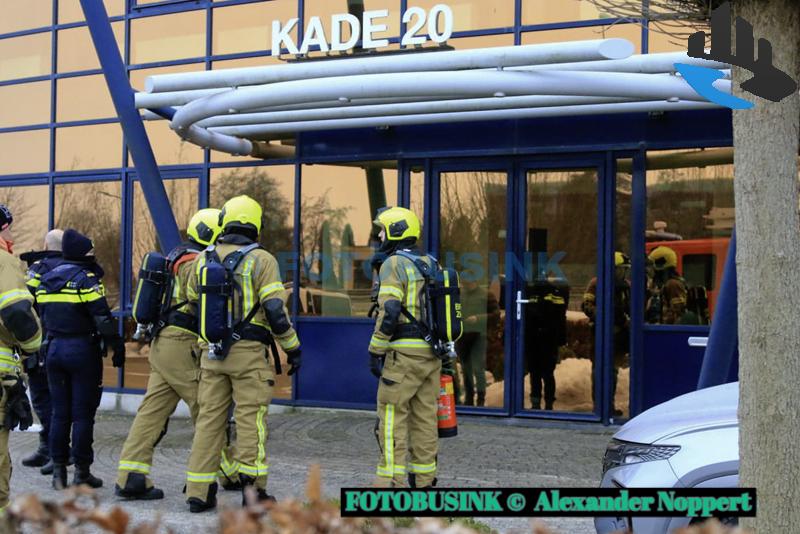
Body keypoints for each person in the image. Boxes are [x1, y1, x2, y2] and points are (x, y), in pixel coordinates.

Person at [184, 195, 301, 512]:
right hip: (249, 355)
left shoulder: (202, 259)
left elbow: (193, 305)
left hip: (212, 353)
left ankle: (198, 492)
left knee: (209, 422)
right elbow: (276, 312)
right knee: (251, 422)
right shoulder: (263, 261)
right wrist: (292, 347)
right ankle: (254, 494)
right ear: (256, 225)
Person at [115, 209, 242, 500]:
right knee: (209, 409)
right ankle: (228, 472)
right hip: (183, 344)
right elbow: (203, 301)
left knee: (152, 411)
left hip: (162, 345)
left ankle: (130, 476)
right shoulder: (197, 263)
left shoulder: (174, 257)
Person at [36, 229, 126, 489]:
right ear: (80, 253)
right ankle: (82, 472)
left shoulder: (46, 278)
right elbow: (102, 318)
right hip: (81, 351)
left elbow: (41, 313)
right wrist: (116, 346)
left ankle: (58, 474)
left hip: (53, 350)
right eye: (90, 253)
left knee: (59, 414)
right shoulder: (86, 280)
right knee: (83, 415)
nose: (93, 257)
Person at [368, 206, 440, 488]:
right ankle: (424, 481)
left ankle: (391, 484)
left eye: (383, 230)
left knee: (391, 417)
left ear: (396, 231)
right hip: (430, 354)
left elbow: (390, 310)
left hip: (403, 355)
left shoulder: (394, 264)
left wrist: (375, 349)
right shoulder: (431, 262)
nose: (380, 235)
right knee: (425, 419)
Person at [0, 205, 43, 512]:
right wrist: (32, 346)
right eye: (8, 228)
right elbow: (16, 312)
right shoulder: (3, 261)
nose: (12, 234)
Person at [19, 229, 64, 475]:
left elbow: (24, 300)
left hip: (41, 341)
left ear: (46, 244)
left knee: (42, 397)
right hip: (62, 342)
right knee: (58, 398)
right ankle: (49, 448)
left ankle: (52, 449)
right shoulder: (74, 267)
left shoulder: (39, 268)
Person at [582, 252, 631, 417]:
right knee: (598, 371)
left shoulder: (626, 287)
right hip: (601, 333)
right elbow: (587, 305)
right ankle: (599, 406)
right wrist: (605, 317)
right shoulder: (596, 284)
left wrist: (625, 321)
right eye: (622, 269)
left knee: (613, 371)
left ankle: (609, 405)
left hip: (619, 335)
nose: (624, 273)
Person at [525, 275, 568, 411]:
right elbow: (561, 318)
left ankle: (541, 402)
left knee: (540, 372)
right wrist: (561, 339)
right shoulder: (532, 291)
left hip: (542, 339)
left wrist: (560, 339)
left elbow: (560, 318)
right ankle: (543, 403)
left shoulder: (531, 292)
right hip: (544, 339)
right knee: (543, 373)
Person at [455, 274, 499, 407]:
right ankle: (469, 399)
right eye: (463, 284)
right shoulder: (460, 294)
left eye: (467, 284)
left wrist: (478, 318)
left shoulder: (486, 295)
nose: (465, 286)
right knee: (465, 368)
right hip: (462, 335)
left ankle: (480, 399)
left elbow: (496, 315)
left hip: (478, 335)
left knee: (478, 368)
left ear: (474, 282)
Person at [646, 246, 688, 324]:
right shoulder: (660, 284)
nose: (649, 269)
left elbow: (677, 313)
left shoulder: (673, 284)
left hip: (666, 332)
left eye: (651, 265)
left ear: (660, 264)